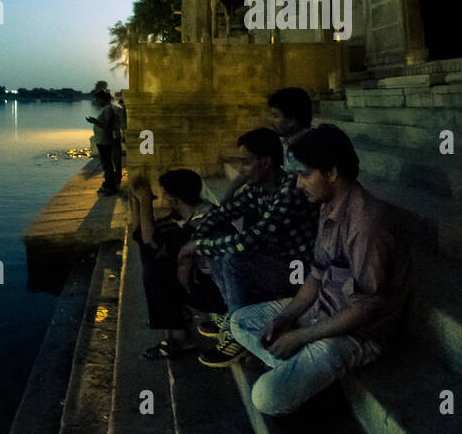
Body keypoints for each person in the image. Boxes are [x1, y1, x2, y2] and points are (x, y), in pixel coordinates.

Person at [230, 124, 405, 415]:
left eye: (303, 174)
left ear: (331, 173)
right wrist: (285, 319)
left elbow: (366, 308)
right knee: (241, 320)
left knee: (265, 396)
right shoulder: (327, 205)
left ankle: (305, 370)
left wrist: (300, 337)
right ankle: (307, 372)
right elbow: (315, 276)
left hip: (354, 334)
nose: (297, 184)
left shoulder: (367, 224)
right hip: (320, 314)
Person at [180, 127, 318, 368]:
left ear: (265, 162)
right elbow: (220, 214)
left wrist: (196, 246)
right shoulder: (257, 189)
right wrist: (190, 250)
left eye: (246, 162)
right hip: (274, 262)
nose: (241, 169)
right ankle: (233, 315)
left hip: (299, 272)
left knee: (233, 255)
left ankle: (236, 332)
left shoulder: (289, 192)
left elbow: (253, 238)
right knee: (218, 241)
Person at [130, 168, 227, 360]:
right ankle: (174, 334)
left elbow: (150, 243)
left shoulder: (201, 221)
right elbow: (139, 235)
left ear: (175, 199)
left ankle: (180, 339)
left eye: (165, 194)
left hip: (219, 294)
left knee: (156, 269)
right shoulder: (190, 213)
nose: (163, 198)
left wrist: (144, 200)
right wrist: (137, 200)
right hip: (207, 286)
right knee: (153, 260)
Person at [267, 87, 312, 170]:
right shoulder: (285, 141)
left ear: (291, 121)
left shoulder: (309, 147)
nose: (270, 121)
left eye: (275, 116)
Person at [85, 90, 122, 194]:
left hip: (105, 140)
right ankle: (108, 184)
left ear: (102, 99)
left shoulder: (108, 109)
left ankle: (111, 186)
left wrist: (94, 121)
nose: (96, 101)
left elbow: (107, 126)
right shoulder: (107, 109)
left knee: (107, 164)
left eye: (97, 99)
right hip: (102, 140)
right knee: (106, 163)